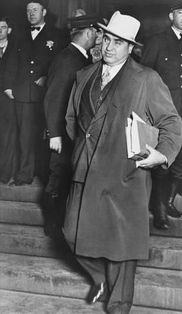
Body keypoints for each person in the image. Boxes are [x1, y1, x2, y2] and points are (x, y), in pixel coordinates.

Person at [63, 11, 182, 314]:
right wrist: (82, 149)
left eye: (119, 43)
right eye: (107, 39)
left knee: (121, 249)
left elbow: (170, 121)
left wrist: (162, 154)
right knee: (71, 233)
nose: (109, 47)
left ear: (131, 48)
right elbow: (72, 119)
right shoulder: (85, 75)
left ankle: (118, 306)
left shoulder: (146, 79)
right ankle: (100, 279)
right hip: (86, 169)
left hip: (125, 174)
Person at [141, 0, 182, 229]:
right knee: (163, 160)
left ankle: (167, 201)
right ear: (171, 16)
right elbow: (143, 74)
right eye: (180, 13)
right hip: (164, 112)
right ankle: (159, 211)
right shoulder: (157, 42)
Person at [43, 15, 100, 237]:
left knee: (66, 177)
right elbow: (53, 97)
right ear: (87, 33)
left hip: (72, 131)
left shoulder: (79, 57)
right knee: (57, 178)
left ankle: (62, 222)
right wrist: (54, 133)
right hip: (62, 133)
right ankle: (53, 225)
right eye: (96, 32)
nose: (97, 36)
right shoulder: (68, 59)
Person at [10, 0, 65, 186]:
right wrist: (8, 87)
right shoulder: (19, 34)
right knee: (24, 136)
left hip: (46, 95)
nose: (31, 13)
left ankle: (43, 174)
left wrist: (47, 78)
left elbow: (60, 63)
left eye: (35, 10)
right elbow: (10, 61)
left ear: (44, 11)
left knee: (46, 136)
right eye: (28, 10)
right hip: (23, 94)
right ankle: (25, 174)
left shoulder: (57, 35)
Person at [0, 17, 18, 184]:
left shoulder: (17, 49)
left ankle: (5, 174)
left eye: (3, 27)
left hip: (8, 101)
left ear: (9, 30)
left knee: (7, 138)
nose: (0, 31)